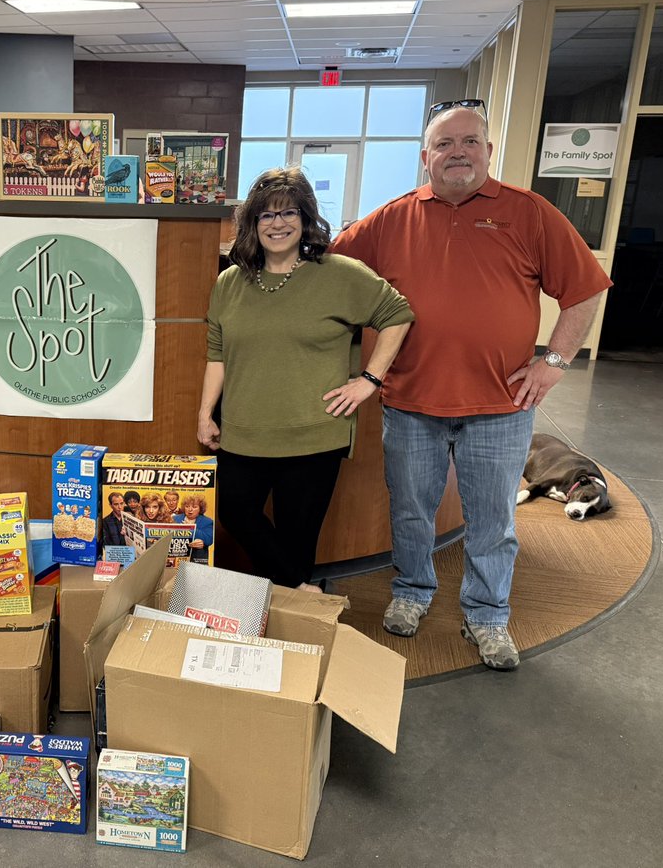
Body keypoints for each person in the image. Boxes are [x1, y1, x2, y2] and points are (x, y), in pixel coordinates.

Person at [329, 100, 612, 670]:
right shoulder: (391, 219)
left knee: (493, 521)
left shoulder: (530, 213)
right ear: (425, 156)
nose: (457, 152)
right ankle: (411, 594)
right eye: (445, 144)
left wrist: (553, 361)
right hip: (410, 400)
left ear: (487, 150)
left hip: (501, 404)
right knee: (411, 512)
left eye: (469, 142)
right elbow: (328, 268)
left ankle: (487, 615)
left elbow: (582, 291)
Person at [198, 167, 414, 590]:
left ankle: (288, 620)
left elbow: (398, 314)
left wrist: (370, 380)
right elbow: (217, 354)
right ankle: (303, 593)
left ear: (306, 218)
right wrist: (206, 413)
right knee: (236, 515)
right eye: (266, 215)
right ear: (251, 223)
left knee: (298, 537)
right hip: (243, 432)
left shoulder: (340, 273)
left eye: (288, 213)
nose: (277, 224)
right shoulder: (230, 282)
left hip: (315, 434)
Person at [173, 495, 214, 565]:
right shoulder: (175, 519)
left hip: (198, 559)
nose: (190, 509)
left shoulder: (207, 521)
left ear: (200, 509)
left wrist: (190, 528)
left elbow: (209, 540)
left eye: (194, 507)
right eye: (187, 506)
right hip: (178, 558)